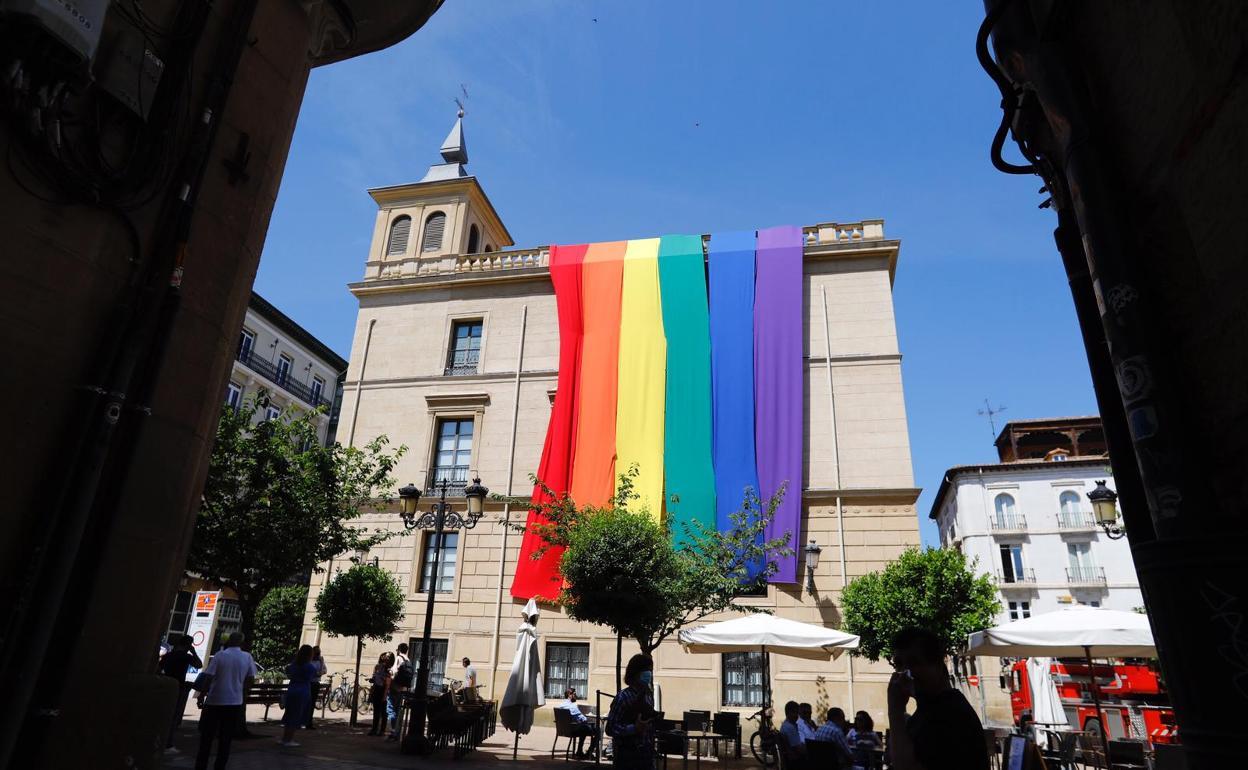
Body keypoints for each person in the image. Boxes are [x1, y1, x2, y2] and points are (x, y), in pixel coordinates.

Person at [886, 627, 989, 770]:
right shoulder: (928, 710)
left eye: (914, 662)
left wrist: (895, 712)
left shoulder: (950, 713)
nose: (906, 672)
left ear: (939, 665)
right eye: (899, 664)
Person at [194, 632, 257, 770]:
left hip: (215, 700)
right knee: (226, 737)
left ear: (229, 641)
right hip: (234, 701)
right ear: (242, 643)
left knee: (207, 737)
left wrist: (201, 694)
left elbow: (209, 676)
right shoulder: (247, 657)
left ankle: (201, 765)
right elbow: (251, 677)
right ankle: (220, 765)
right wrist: (243, 690)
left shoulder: (220, 655)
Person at [605, 654, 656, 770]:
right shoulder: (623, 697)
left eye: (650, 670)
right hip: (627, 756)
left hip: (646, 755)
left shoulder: (648, 696)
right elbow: (610, 728)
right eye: (646, 670)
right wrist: (634, 728)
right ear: (635, 672)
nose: (649, 674)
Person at [159, 634, 203, 752]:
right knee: (173, 716)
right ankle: (168, 743)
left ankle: (160, 740)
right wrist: (193, 652)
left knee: (163, 714)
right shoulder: (185, 657)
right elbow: (199, 664)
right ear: (188, 645)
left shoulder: (168, 656)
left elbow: (159, 669)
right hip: (178, 686)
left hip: (166, 685)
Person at [279, 644, 318, 747]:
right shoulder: (309, 666)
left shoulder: (294, 664)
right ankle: (289, 739)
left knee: (289, 714)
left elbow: (288, 671)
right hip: (303, 691)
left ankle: (284, 738)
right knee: (296, 715)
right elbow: (314, 675)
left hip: (292, 689)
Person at [560, 687, 600, 757]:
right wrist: (589, 716)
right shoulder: (573, 706)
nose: (576, 696)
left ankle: (579, 751)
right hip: (574, 730)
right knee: (598, 730)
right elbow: (583, 719)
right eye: (575, 694)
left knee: (583, 728)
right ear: (570, 695)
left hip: (565, 730)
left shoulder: (561, 705)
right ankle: (589, 752)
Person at [388, 642, 413, 741]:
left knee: (391, 709)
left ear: (399, 649)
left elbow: (394, 672)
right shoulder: (408, 660)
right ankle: (397, 732)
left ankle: (393, 732)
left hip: (395, 687)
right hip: (403, 688)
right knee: (398, 710)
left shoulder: (399, 658)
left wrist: (390, 673)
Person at [368, 653, 393, 736]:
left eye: (387, 657)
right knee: (376, 711)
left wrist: (385, 695)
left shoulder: (388, 669)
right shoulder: (377, 666)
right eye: (384, 656)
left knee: (383, 712)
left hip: (383, 689)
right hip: (377, 689)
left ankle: (382, 731)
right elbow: (374, 677)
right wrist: (372, 680)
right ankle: (374, 729)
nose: (385, 657)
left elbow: (388, 683)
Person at [778, 700, 806, 766]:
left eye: (797, 713)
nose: (797, 715)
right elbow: (800, 750)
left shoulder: (785, 725)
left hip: (790, 760)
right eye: (794, 712)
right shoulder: (790, 728)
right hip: (796, 762)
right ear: (788, 713)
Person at [304, 646, 326, 729]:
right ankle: (304, 721)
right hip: (308, 683)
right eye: (316, 653)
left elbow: (324, 671)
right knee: (306, 703)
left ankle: (308, 722)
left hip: (315, 684)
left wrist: (321, 663)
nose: (317, 655)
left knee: (311, 704)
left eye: (318, 653)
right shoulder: (308, 661)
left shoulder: (319, 661)